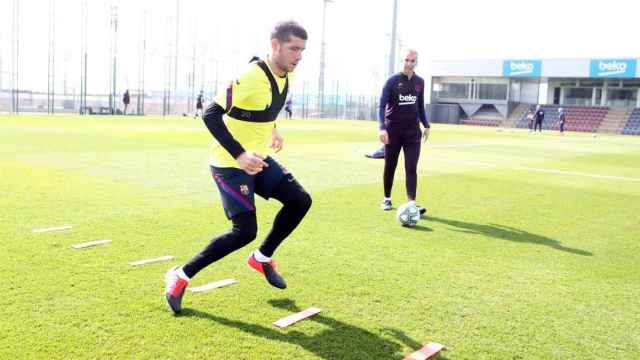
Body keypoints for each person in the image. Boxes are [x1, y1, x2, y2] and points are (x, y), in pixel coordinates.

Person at [164, 21, 311, 315]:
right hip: (230, 164)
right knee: (244, 231)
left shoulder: (286, 76)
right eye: (293, 48)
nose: (299, 56)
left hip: (259, 158)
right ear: (275, 45)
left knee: (300, 200)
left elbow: (264, 108)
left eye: (302, 50)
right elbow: (211, 114)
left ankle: (262, 257)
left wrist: (274, 130)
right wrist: (241, 154)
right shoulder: (250, 75)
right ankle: (180, 276)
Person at [378, 48, 429, 214]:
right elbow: (381, 105)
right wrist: (382, 128)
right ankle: (386, 199)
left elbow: (420, 107)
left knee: (411, 167)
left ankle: (411, 203)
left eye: (412, 61)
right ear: (402, 61)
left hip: (412, 133)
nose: (409, 63)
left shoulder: (420, 82)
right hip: (393, 131)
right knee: (390, 165)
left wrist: (426, 125)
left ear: (416, 63)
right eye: (406, 60)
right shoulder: (392, 81)